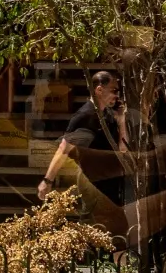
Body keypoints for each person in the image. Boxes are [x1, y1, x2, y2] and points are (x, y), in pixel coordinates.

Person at [40, 70, 134, 212]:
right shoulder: (84, 116)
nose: (117, 95)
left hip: (111, 183)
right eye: (114, 90)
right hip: (94, 184)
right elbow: (63, 149)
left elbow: (122, 149)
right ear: (99, 90)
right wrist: (48, 180)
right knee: (96, 224)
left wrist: (121, 121)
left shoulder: (108, 115)